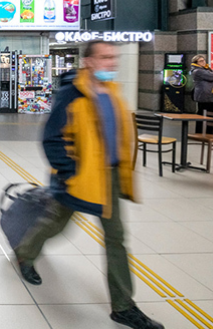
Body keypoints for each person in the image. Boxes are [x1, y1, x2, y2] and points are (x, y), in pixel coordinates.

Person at [13, 41, 163, 329]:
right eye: (105, 57)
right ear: (89, 62)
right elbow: (52, 138)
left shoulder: (114, 92)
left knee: (116, 238)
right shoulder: (72, 94)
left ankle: (123, 306)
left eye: (114, 58)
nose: (111, 63)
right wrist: (70, 173)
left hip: (108, 176)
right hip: (78, 177)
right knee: (57, 223)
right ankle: (25, 252)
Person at [191, 54, 213, 134]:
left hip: (208, 95)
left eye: (203, 60)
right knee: (208, 114)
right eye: (201, 61)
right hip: (205, 96)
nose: (203, 62)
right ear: (196, 62)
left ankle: (205, 132)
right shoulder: (198, 71)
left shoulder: (204, 70)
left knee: (208, 114)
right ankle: (204, 133)